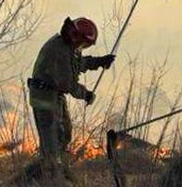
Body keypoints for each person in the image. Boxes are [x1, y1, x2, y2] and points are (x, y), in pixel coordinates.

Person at [28, 17, 116, 175]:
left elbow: (77, 63)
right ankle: (50, 173)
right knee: (52, 136)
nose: (83, 48)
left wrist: (99, 62)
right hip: (44, 98)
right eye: (84, 44)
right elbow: (69, 84)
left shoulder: (66, 45)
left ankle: (59, 168)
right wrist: (86, 95)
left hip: (54, 96)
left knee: (65, 131)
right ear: (77, 37)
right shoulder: (59, 51)